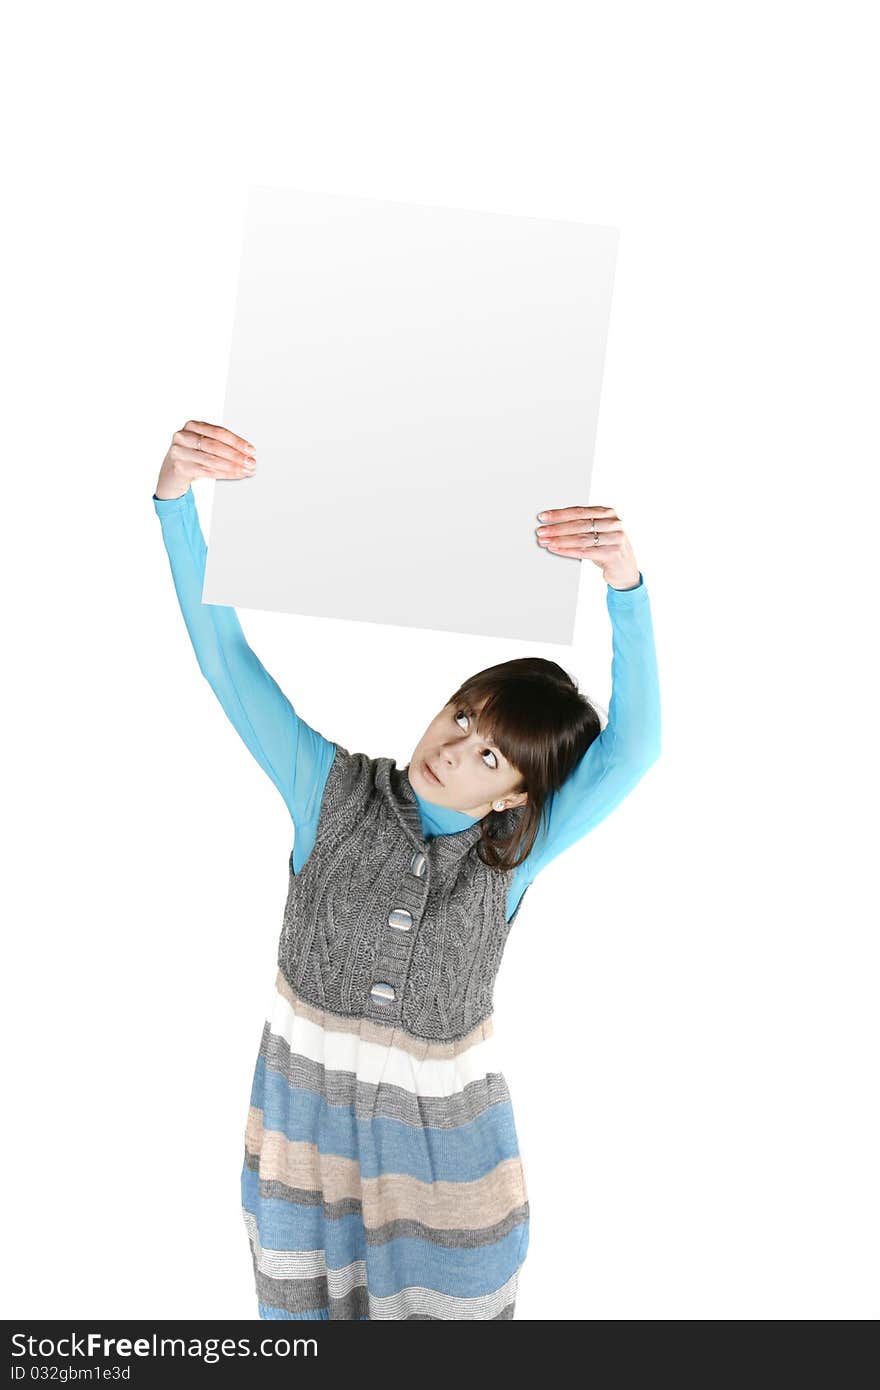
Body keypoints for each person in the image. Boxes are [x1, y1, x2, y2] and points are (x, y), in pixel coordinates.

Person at [153, 418, 662, 1320]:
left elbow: (634, 751)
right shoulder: (330, 790)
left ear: (516, 796)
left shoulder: (515, 854)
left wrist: (625, 585)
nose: (455, 747)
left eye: (493, 757)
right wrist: (175, 501)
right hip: (303, 1158)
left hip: (450, 1178)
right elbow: (225, 658)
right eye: (464, 716)